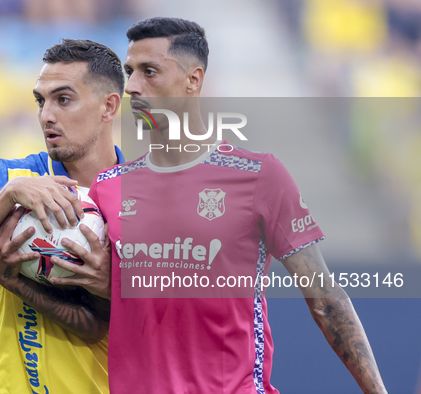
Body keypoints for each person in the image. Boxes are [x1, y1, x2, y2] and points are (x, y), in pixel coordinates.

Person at [51, 17, 387, 393]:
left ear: (193, 80)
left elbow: (325, 300)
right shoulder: (108, 189)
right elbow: (99, 315)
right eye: (129, 72)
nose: (132, 86)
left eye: (149, 72)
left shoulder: (259, 176)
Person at [0, 39, 125, 394]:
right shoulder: (9, 177)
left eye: (63, 99)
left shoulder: (144, 196)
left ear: (108, 106)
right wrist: (9, 196)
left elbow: (163, 323)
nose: (46, 115)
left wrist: (110, 286)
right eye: (41, 101)